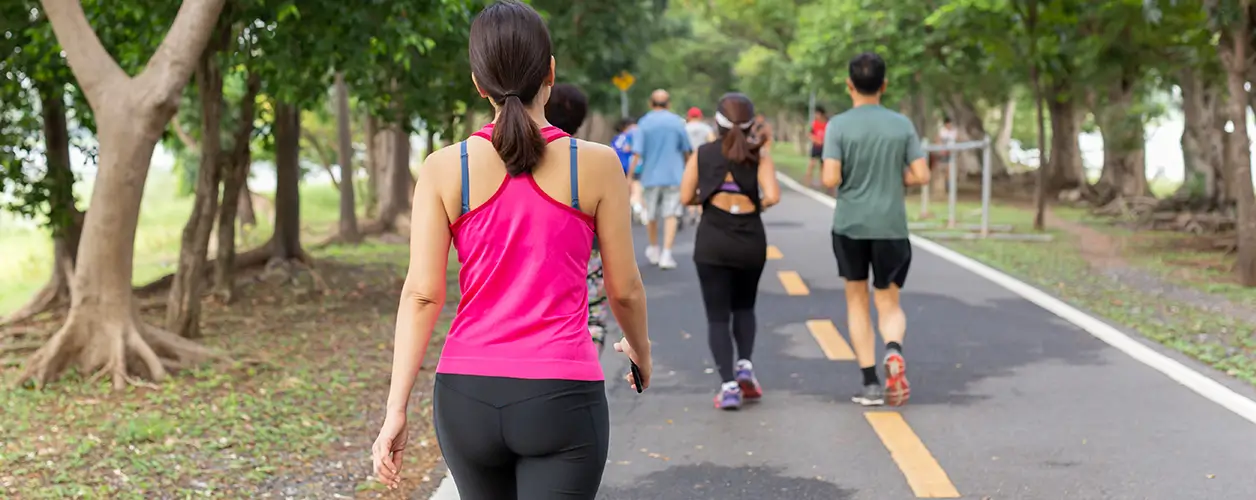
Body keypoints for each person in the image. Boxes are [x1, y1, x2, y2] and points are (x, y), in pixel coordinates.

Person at [371, 3, 653, 498]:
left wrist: (396, 409)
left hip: (465, 396)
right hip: (561, 396)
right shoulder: (598, 164)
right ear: (550, 71)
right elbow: (624, 288)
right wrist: (641, 352)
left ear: (478, 84)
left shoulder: (443, 167)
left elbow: (421, 295)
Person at [821, 52, 930, 408]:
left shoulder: (838, 125)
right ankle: (894, 350)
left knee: (857, 299)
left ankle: (869, 384)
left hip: (850, 225)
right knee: (888, 301)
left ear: (849, 85)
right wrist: (896, 178)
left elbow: (830, 178)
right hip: (891, 227)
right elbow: (921, 175)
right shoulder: (902, 125)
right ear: (884, 85)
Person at [681, 93, 781, 410]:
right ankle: (745, 365)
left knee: (717, 317)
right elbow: (774, 196)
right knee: (745, 307)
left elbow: (686, 197)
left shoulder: (703, 154)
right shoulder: (760, 156)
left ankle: (728, 386)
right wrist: (753, 205)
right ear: (751, 122)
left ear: (718, 121)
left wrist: (710, 199)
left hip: (713, 241)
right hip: (750, 241)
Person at [544, 83, 617, 354]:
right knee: (592, 317)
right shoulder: (594, 161)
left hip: (535, 258)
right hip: (587, 257)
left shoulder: (517, 156)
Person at [633, 89, 693, 270]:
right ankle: (667, 254)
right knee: (671, 214)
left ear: (651, 103)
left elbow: (637, 153)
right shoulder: (676, 123)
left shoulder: (644, 123)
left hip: (650, 176)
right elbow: (686, 151)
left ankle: (654, 248)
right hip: (675, 176)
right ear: (669, 104)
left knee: (651, 215)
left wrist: (629, 177)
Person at [683, 107, 715, 227]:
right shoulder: (705, 128)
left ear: (689, 116)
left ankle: (692, 212)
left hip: (689, 160)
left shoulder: (684, 129)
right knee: (703, 186)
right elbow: (712, 141)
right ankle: (702, 212)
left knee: (691, 185)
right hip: (704, 159)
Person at [804, 106, 827, 187]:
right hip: (816, 146)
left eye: (817, 114)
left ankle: (822, 183)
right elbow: (809, 134)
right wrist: (815, 139)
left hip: (824, 147)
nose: (816, 116)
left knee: (822, 166)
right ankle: (807, 181)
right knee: (811, 164)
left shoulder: (827, 124)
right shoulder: (814, 124)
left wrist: (823, 141)